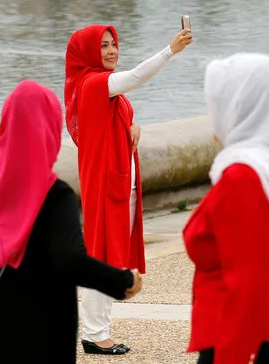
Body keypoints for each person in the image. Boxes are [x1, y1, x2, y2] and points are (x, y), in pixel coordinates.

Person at [0, 80, 142, 364]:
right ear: (50, 129)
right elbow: (69, 260)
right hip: (37, 335)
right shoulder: (55, 196)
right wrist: (122, 282)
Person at [182, 53, 269, 364]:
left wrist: (231, 357)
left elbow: (251, 280)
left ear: (241, 105)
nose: (211, 110)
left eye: (217, 100)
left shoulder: (244, 175)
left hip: (255, 340)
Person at [64, 24, 193, 353]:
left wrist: (130, 126)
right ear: (87, 52)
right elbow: (136, 75)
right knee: (102, 255)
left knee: (114, 257)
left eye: (114, 44)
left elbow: (113, 115)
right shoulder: (93, 82)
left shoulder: (104, 88)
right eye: (103, 46)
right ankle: (94, 333)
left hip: (120, 185)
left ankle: (100, 329)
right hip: (107, 185)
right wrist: (170, 50)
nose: (111, 51)